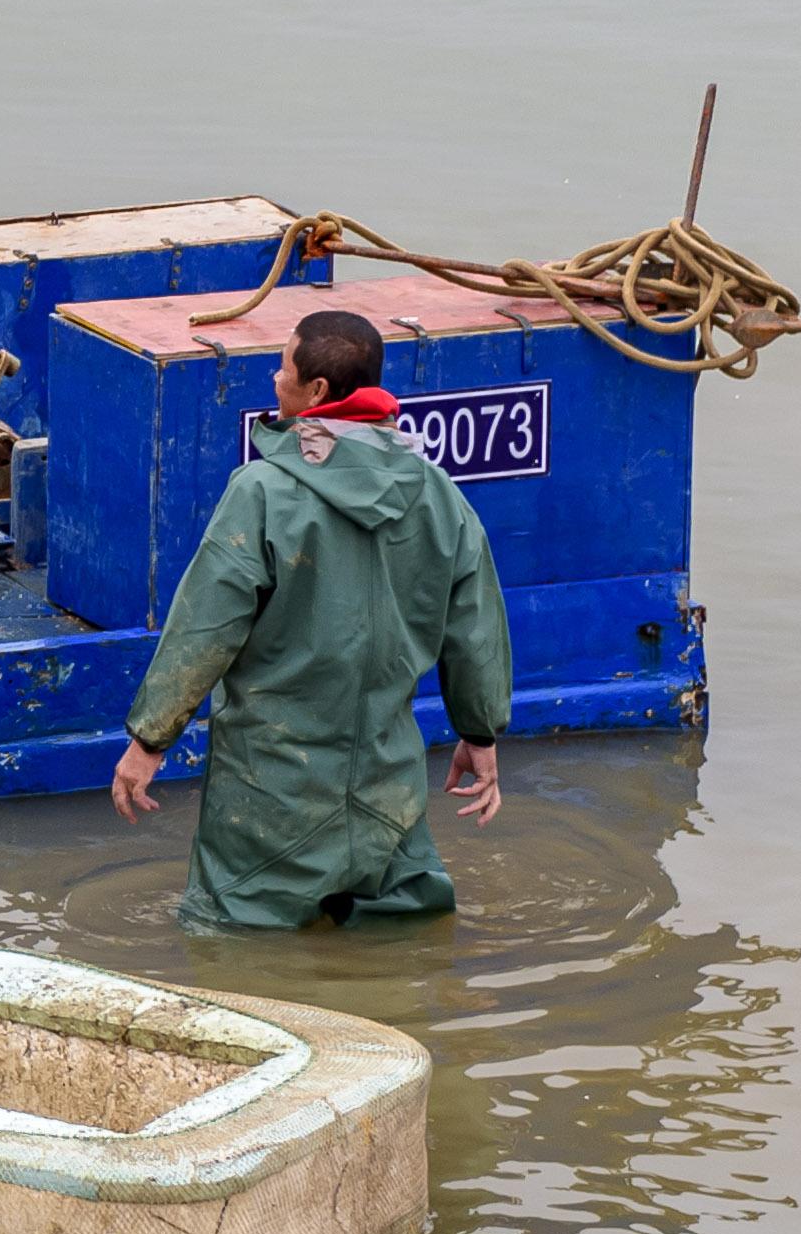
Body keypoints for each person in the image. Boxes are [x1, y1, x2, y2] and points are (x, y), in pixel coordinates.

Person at [106, 310, 514, 925]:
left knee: (232, 952)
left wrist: (149, 741)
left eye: (284, 366)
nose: (274, 378)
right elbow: (476, 633)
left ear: (317, 391)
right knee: (400, 943)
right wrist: (479, 736)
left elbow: (203, 630)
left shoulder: (261, 491)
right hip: (389, 794)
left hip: (272, 799)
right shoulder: (439, 496)